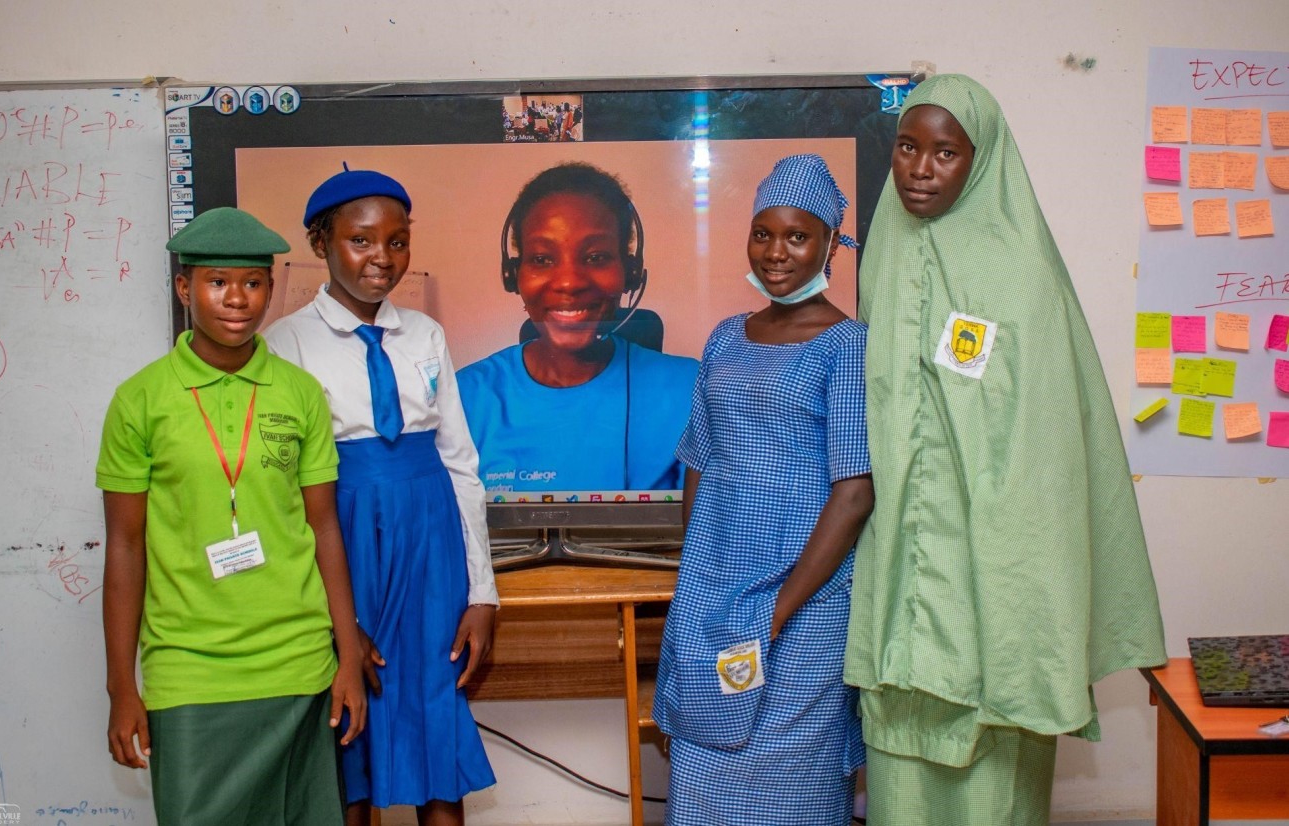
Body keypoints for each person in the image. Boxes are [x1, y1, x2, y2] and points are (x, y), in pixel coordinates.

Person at [843, 74, 1166, 825]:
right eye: (908, 148)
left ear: (981, 159)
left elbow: (1046, 452)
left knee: (992, 771)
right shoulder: (884, 248)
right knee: (901, 775)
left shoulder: (1022, 275)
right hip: (901, 571)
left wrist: (1024, 591)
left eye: (946, 152)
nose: (920, 170)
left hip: (994, 575)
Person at [97, 207, 365, 826]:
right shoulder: (140, 401)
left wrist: (345, 658)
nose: (237, 299)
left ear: (271, 289)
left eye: (253, 282)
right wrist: (120, 689)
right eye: (218, 282)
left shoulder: (299, 394)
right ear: (183, 287)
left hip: (297, 666)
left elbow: (324, 529)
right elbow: (125, 547)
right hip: (190, 671)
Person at [264, 168, 497, 826]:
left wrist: (482, 593)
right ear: (322, 244)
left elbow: (460, 462)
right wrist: (330, 617)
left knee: (434, 713)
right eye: (362, 241)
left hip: (431, 544)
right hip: (345, 535)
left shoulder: (425, 335)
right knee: (351, 727)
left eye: (397, 242)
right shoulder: (285, 343)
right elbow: (285, 493)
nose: (382, 258)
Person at [652, 154, 874, 824]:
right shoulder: (724, 340)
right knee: (699, 774)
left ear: (830, 244)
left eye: (797, 236)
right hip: (714, 599)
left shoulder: (847, 346)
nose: (776, 252)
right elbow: (701, 459)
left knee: (792, 782)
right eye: (763, 234)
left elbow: (856, 491)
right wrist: (698, 581)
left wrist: (777, 610)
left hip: (804, 607)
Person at [456, 162, 699, 493]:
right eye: (542, 259)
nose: (569, 283)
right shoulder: (466, 396)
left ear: (630, 273)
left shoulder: (690, 390)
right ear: (513, 275)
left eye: (596, 257)